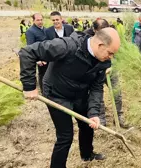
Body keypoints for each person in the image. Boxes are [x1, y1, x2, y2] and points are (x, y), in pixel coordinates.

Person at [19, 27, 120, 167]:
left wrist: (94, 112)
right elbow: (28, 52)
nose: (111, 57)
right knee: (65, 136)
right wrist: (29, 86)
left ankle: (87, 155)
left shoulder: (103, 62)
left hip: (79, 93)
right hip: (56, 93)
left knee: (87, 125)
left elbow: (97, 88)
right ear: (100, 45)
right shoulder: (67, 46)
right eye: (110, 53)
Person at [84, 18, 128, 128]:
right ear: (94, 30)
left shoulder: (113, 35)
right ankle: (101, 118)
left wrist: (111, 66)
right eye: (100, 30)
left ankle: (118, 116)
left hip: (110, 70)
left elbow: (117, 52)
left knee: (116, 93)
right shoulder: (86, 37)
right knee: (98, 94)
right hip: (95, 71)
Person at [25, 13, 47, 92]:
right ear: (33, 20)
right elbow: (30, 47)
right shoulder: (30, 31)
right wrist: (37, 60)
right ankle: (43, 91)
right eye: (38, 20)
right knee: (42, 75)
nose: (40, 22)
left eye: (41, 20)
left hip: (48, 57)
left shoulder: (45, 29)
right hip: (40, 59)